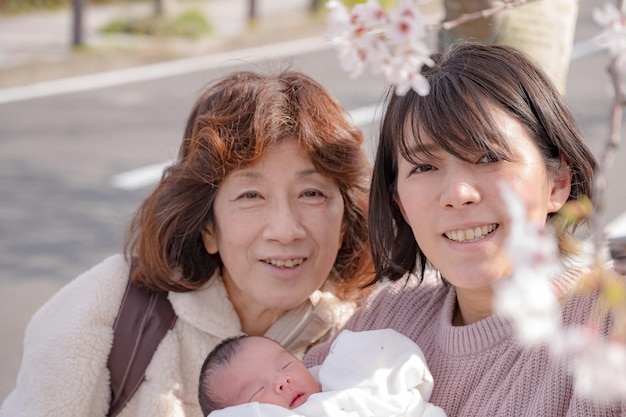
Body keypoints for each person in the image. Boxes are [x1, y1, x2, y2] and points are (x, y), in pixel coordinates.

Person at [0, 69, 374, 417]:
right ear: (208, 226)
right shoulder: (107, 306)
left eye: (311, 193)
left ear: (344, 221)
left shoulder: (369, 331)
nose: (285, 229)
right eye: (250, 195)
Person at [304, 42, 626, 416]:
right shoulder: (384, 319)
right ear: (399, 203)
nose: (458, 194)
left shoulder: (609, 325)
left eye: (488, 157)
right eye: (423, 167)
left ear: (557, 183)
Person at [199, 329, 446, 417]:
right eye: (258, 390)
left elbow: (392, 360)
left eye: (285, 365)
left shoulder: (341, 376)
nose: (283, 382)